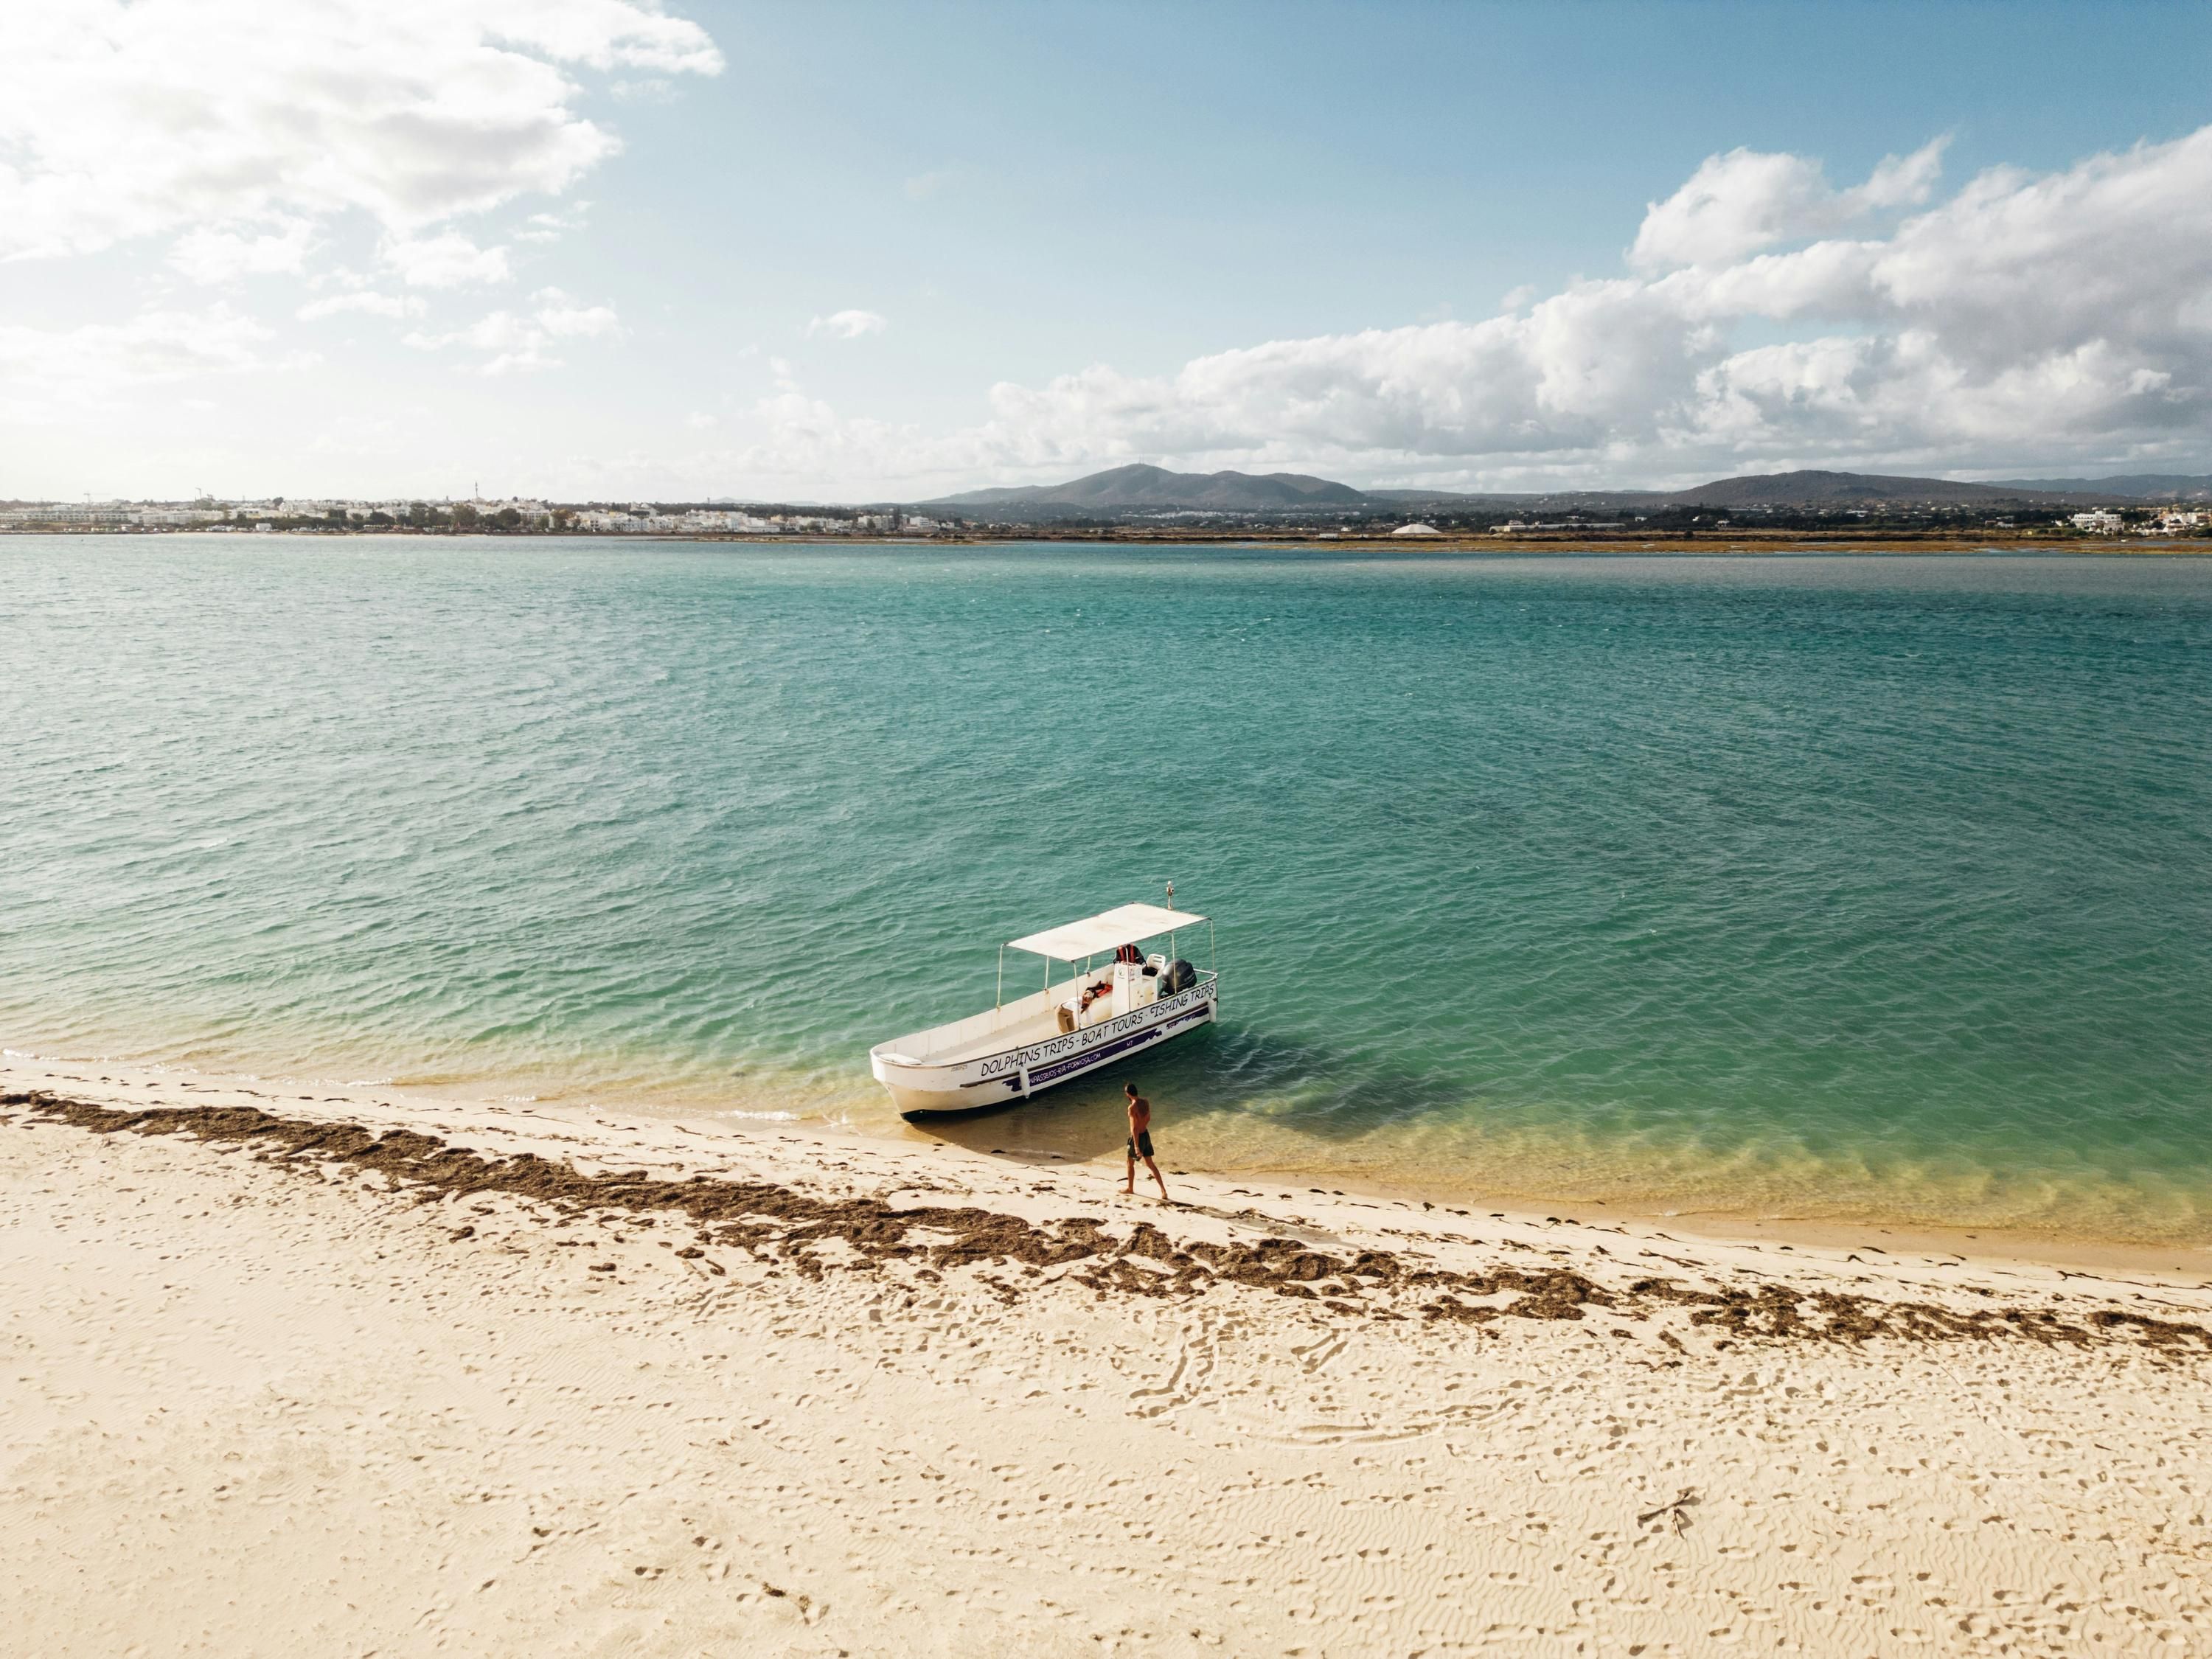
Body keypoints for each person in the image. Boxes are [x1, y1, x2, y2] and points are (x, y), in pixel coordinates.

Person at [1122, 1080, 1167, 1200]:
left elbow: (1134, 1128)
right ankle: (1163, 1191)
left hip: (1138, 1138)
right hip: (1146, 1135)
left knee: (1130, 1163)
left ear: (1128, 1094)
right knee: (1151, 1164)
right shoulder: (1145, 1102)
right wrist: (1143, 1127)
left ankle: (1130, 1188)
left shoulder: (1132, 1108)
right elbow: (1148, 1118)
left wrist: (1136, 1146)